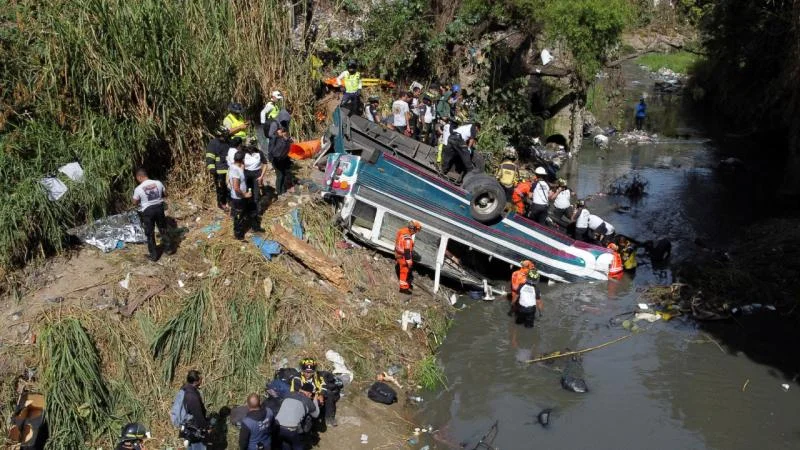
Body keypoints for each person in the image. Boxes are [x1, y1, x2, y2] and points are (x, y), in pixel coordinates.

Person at [289, 358, 342, 428]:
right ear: (302, 370)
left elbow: (324, 386)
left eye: (311, 372)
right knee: (306, 391)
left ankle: (329, 418)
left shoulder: (317, 376)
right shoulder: (297, 377)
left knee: (329, 394)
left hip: (314, 397)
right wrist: (312, 396)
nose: (308, 374)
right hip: (302, 399)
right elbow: (296, 391)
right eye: (306, 372)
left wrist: (321, 395)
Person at [132, 168, 170, 261]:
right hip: (159, 208)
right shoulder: (158, 183)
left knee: (150, 233)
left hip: (148, 211)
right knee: (163, 228)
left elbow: (135, 202)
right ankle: (169, 249)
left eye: (137, 179)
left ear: (139, 177)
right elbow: (165, 193)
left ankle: (154, 256)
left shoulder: (138, 189)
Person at [275, 384, 319, 450]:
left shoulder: (288, 394)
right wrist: (315, 399)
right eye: (311, 394)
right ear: (309, 393)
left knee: (284, 444)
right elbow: (316, 415)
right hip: (291, 430)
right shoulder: (308, 401)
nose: (311, 396)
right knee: (298, 446)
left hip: (277, 427)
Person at [243, 145, 268, 232]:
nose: (250, 153)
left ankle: (256, 213)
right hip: (246, 175)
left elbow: (265, 164)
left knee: (256, 196)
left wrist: (261, 176)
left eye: (251, 151)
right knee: (248, 195)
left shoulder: (259, 153)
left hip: (257, 175)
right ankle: (248, 212)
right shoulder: (244, 153)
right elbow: (240, 164)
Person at [182, 370, 209, 450]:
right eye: (201, 379)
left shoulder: (185, 389)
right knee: (198, 447)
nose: (202, 380)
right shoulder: (192, 396)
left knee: (191, 447)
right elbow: (198, 416)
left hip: (187, 426)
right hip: (195, 428)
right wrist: (206, 428)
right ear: (196, 381)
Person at [228, 151, 253, 241]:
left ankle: (240, 231)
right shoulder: (235, 171)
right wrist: (245, 194)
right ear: (242, 160)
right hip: (238, 198)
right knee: (239, 217)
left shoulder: (234, 166)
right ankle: (239, 236)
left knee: (240, 215)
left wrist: (241, 168)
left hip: (238, 197)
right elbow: (236, 187)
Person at [207, 128, 230, 211]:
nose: (226, 135)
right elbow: (210, 156)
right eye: (225, 134)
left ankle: (228, 201)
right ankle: (221, 203)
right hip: (219, 170)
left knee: (227, 187)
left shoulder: (226, 143)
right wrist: (211, 167)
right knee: (220, 188)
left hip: (227, 169)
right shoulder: (213, 143)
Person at [395, 220, 421, 292]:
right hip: (403, 257)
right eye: (416, 230)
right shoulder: (408, 239)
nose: (416, 232)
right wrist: (409, 263)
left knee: (400, 267)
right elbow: (407, 252)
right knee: (404, 271)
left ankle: (398, 270)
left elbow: (397, 242)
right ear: (413, 229)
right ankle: (403, 287)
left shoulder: (401, 231)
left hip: (398, 254)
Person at [269, 126, 293, 196]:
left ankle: (282, 189)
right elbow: (276, 151)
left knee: (283, 175)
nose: (280, 132)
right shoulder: (275, 138)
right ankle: (279, 191)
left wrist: (287, 140)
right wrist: (285, 141)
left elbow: (285, 150)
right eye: (280, 131)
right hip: (276, 160)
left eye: (282, 131)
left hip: (282, 159)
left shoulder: (284, 139)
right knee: (280, 175)